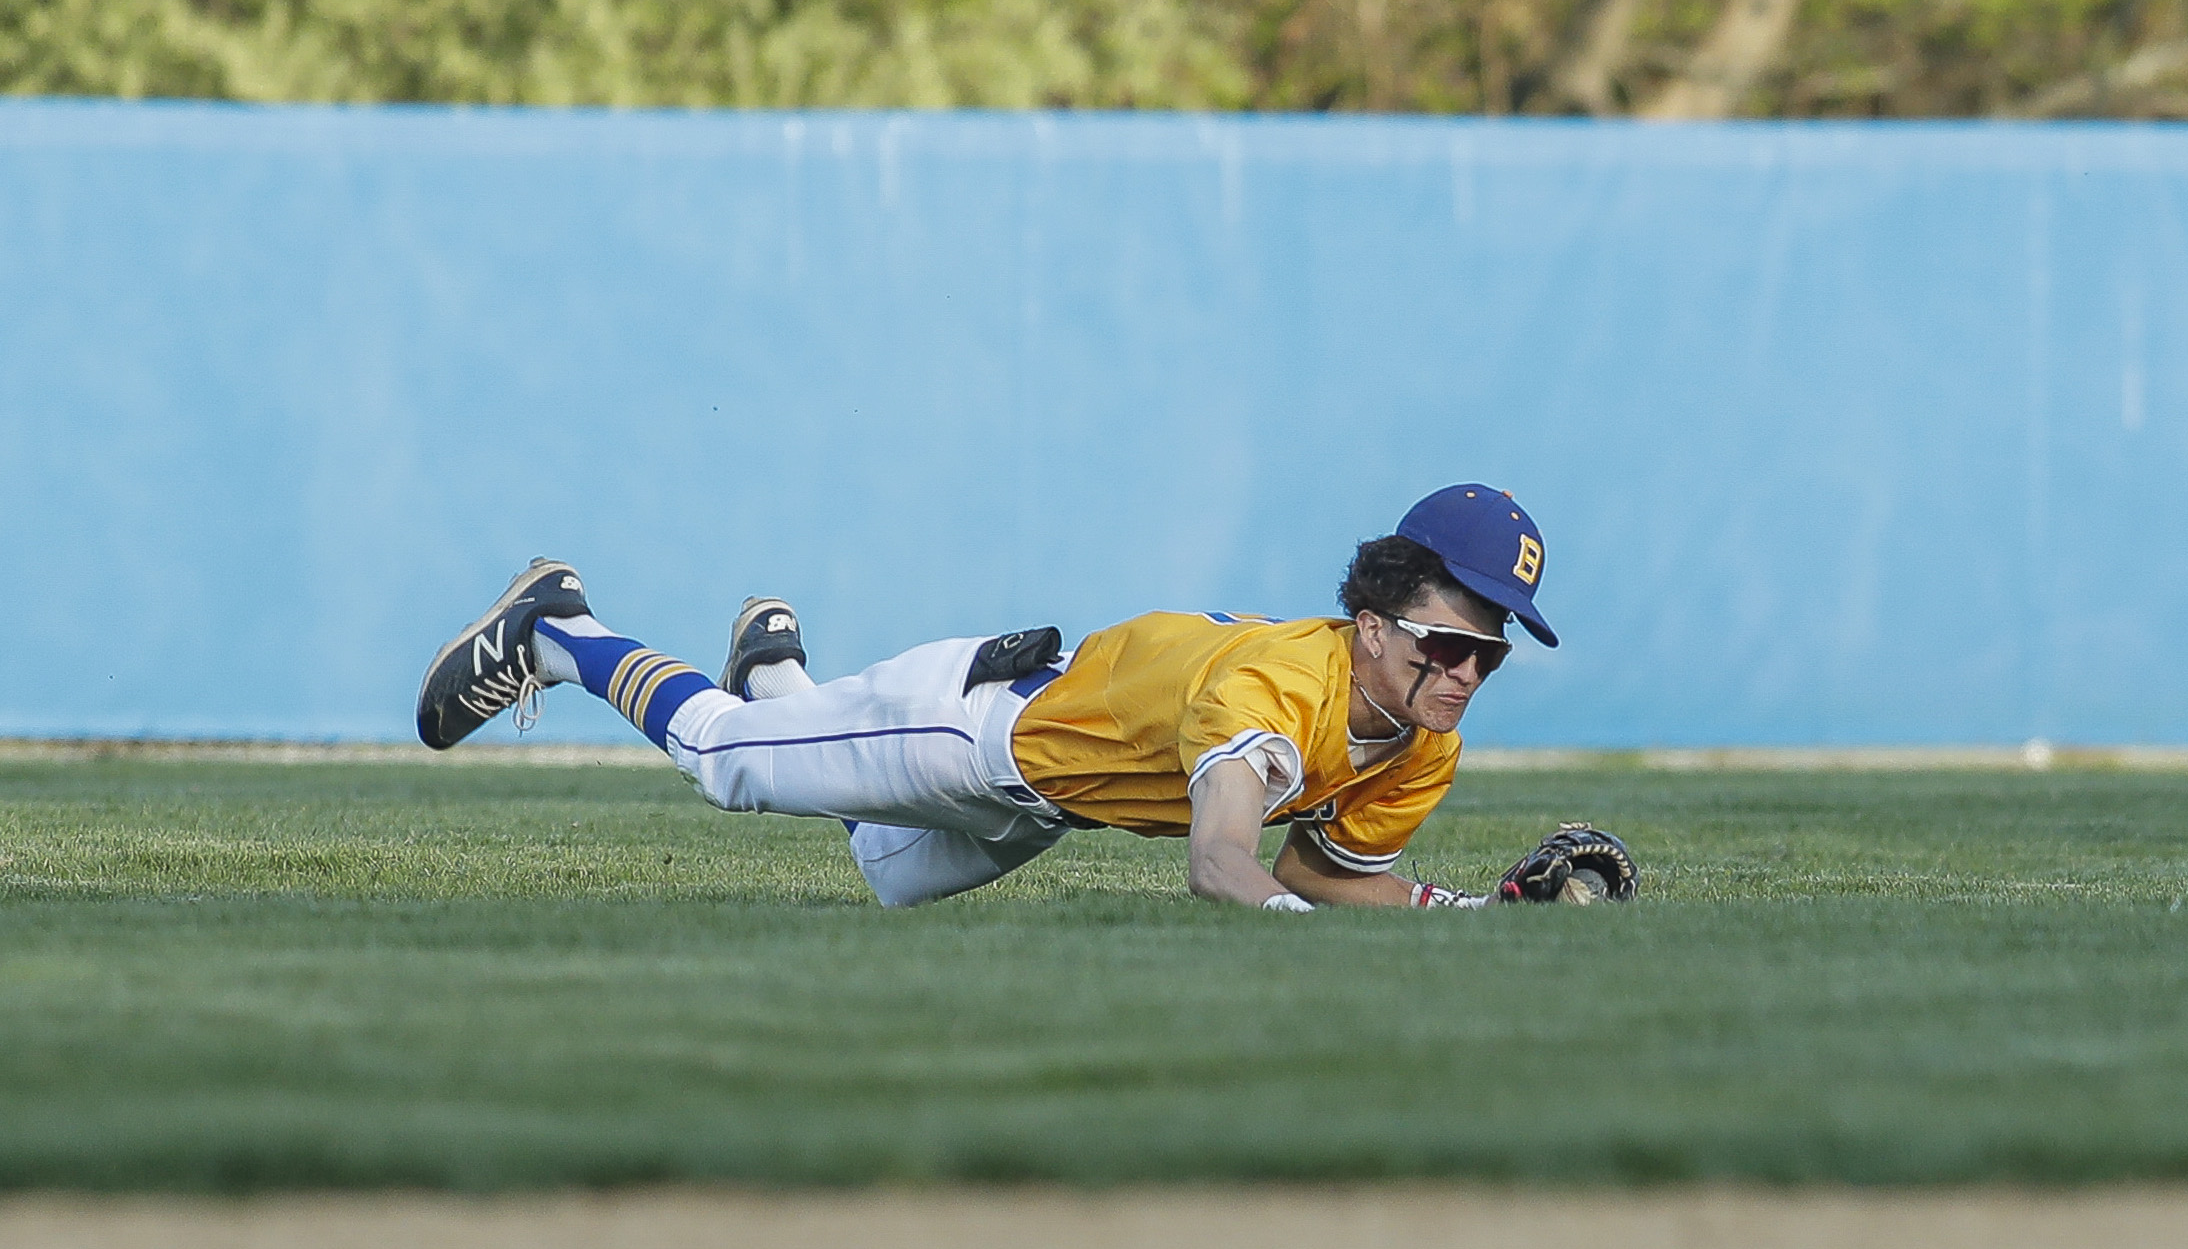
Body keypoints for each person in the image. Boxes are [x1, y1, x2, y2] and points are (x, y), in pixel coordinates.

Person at [417, 484, 1562, 910]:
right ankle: (564, 630)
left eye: (1489, 654)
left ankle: (778, 669)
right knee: (729, 763)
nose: (1463, 672)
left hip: (1046, 804)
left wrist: (1473, 920)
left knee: (882, 872)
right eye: (1441, 643)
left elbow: (1320, 872)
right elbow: (1224, 866)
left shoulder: (1417, 740)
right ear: (1370, 624)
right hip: (978, 728)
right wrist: (1296, 932)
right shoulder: (1273, 688)